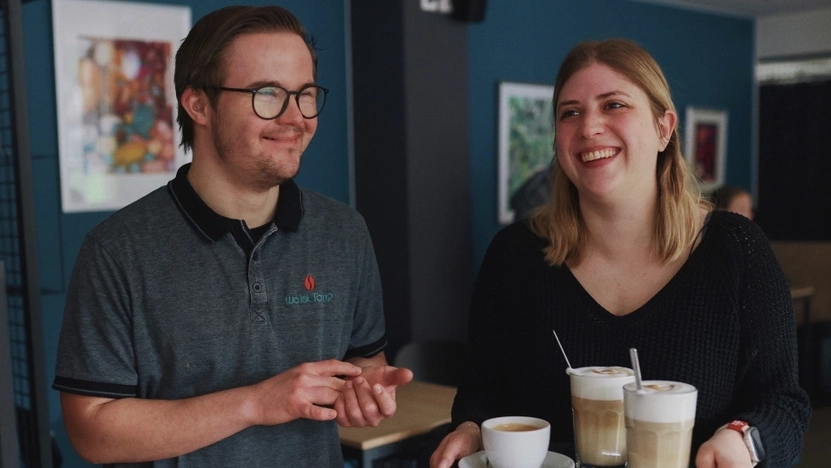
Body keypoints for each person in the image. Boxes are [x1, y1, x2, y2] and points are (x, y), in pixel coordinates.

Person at [52, 6, 412, 466]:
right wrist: (257, 403)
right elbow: (92, 431)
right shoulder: (116, 251)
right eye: (267, 94)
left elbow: (366, 361)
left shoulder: (345, 232)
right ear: (198, 104)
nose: (296, 117)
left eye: (305, 94)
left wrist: (363, 389)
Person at [431, 38, 810, 468]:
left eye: (613, 105)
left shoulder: (737, 250)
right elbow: (482, 392)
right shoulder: (514, 256)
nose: (589, 127)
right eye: (570, 112)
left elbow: (784, 403)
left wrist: (744, 440)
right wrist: (468, 428)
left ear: (664, 128)